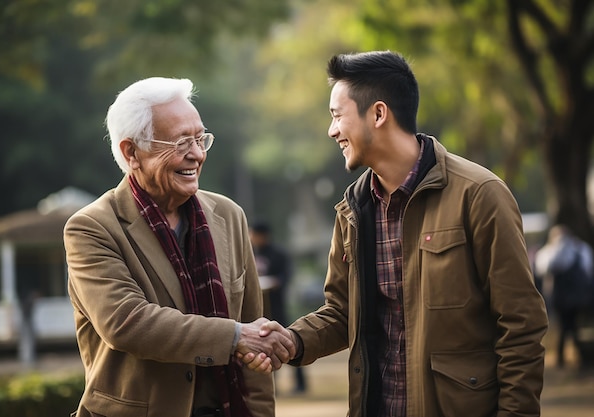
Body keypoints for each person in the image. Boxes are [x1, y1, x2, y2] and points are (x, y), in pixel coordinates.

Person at [248, 51, 549, 417]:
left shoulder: (479, 194)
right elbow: (343, 312)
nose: (332, 131)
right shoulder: (353, 209)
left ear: (377, 113)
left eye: (337, 116)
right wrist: (291, 340)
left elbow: (521, 325)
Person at [63, 77, 295, 417]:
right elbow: (127, 322)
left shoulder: (229, 216)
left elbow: (253, 332)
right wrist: (233, 337)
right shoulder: (92, 227)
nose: (198, 154)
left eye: (201, 139)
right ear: (132, 153)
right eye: (180, 142)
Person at [249, 221, 307, 394]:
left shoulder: (278, 254)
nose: (253, 238)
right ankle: (272, 386)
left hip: (277, 306)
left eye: (255, 234)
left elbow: (286, 276)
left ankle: (300, 384)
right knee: (264, 347)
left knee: (289, 343)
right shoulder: (250, 252)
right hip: (258, 308)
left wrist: (275, 281)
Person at [535, 224, 594, 369]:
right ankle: (576, 357)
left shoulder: (553, 252)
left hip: (562, 297)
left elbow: (541, 268)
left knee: (567, 326)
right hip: (571, 296)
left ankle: (567, 358)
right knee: (570, 326)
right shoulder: (579, 250)